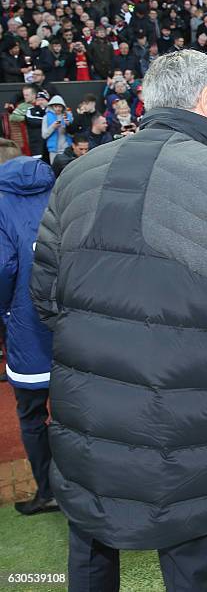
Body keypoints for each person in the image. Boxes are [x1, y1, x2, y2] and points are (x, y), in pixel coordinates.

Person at [30, 49, 207, 591]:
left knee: (90, 553)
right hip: (180, 415)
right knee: (186, 561)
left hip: (86, 409)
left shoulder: (77, 174)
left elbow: (44, 298)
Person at [0, 139, 57, 516]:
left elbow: (4, 267)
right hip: (74, 320)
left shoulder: (1, 202)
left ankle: (50, 491)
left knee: (33, 415)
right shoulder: (59, 188)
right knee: (81, 411)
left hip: (27, 325)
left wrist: (5, 311)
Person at [41, 95, 73, 164]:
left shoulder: (68, 116)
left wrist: (68, 126)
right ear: (52, 106)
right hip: (53, 150)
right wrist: (53, 127)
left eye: (60, 106)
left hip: (66, 148)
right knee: (54, 170)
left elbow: (73, 134)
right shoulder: (46, 117)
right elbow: (44, 135)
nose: (58, 109)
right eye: (55, 106)